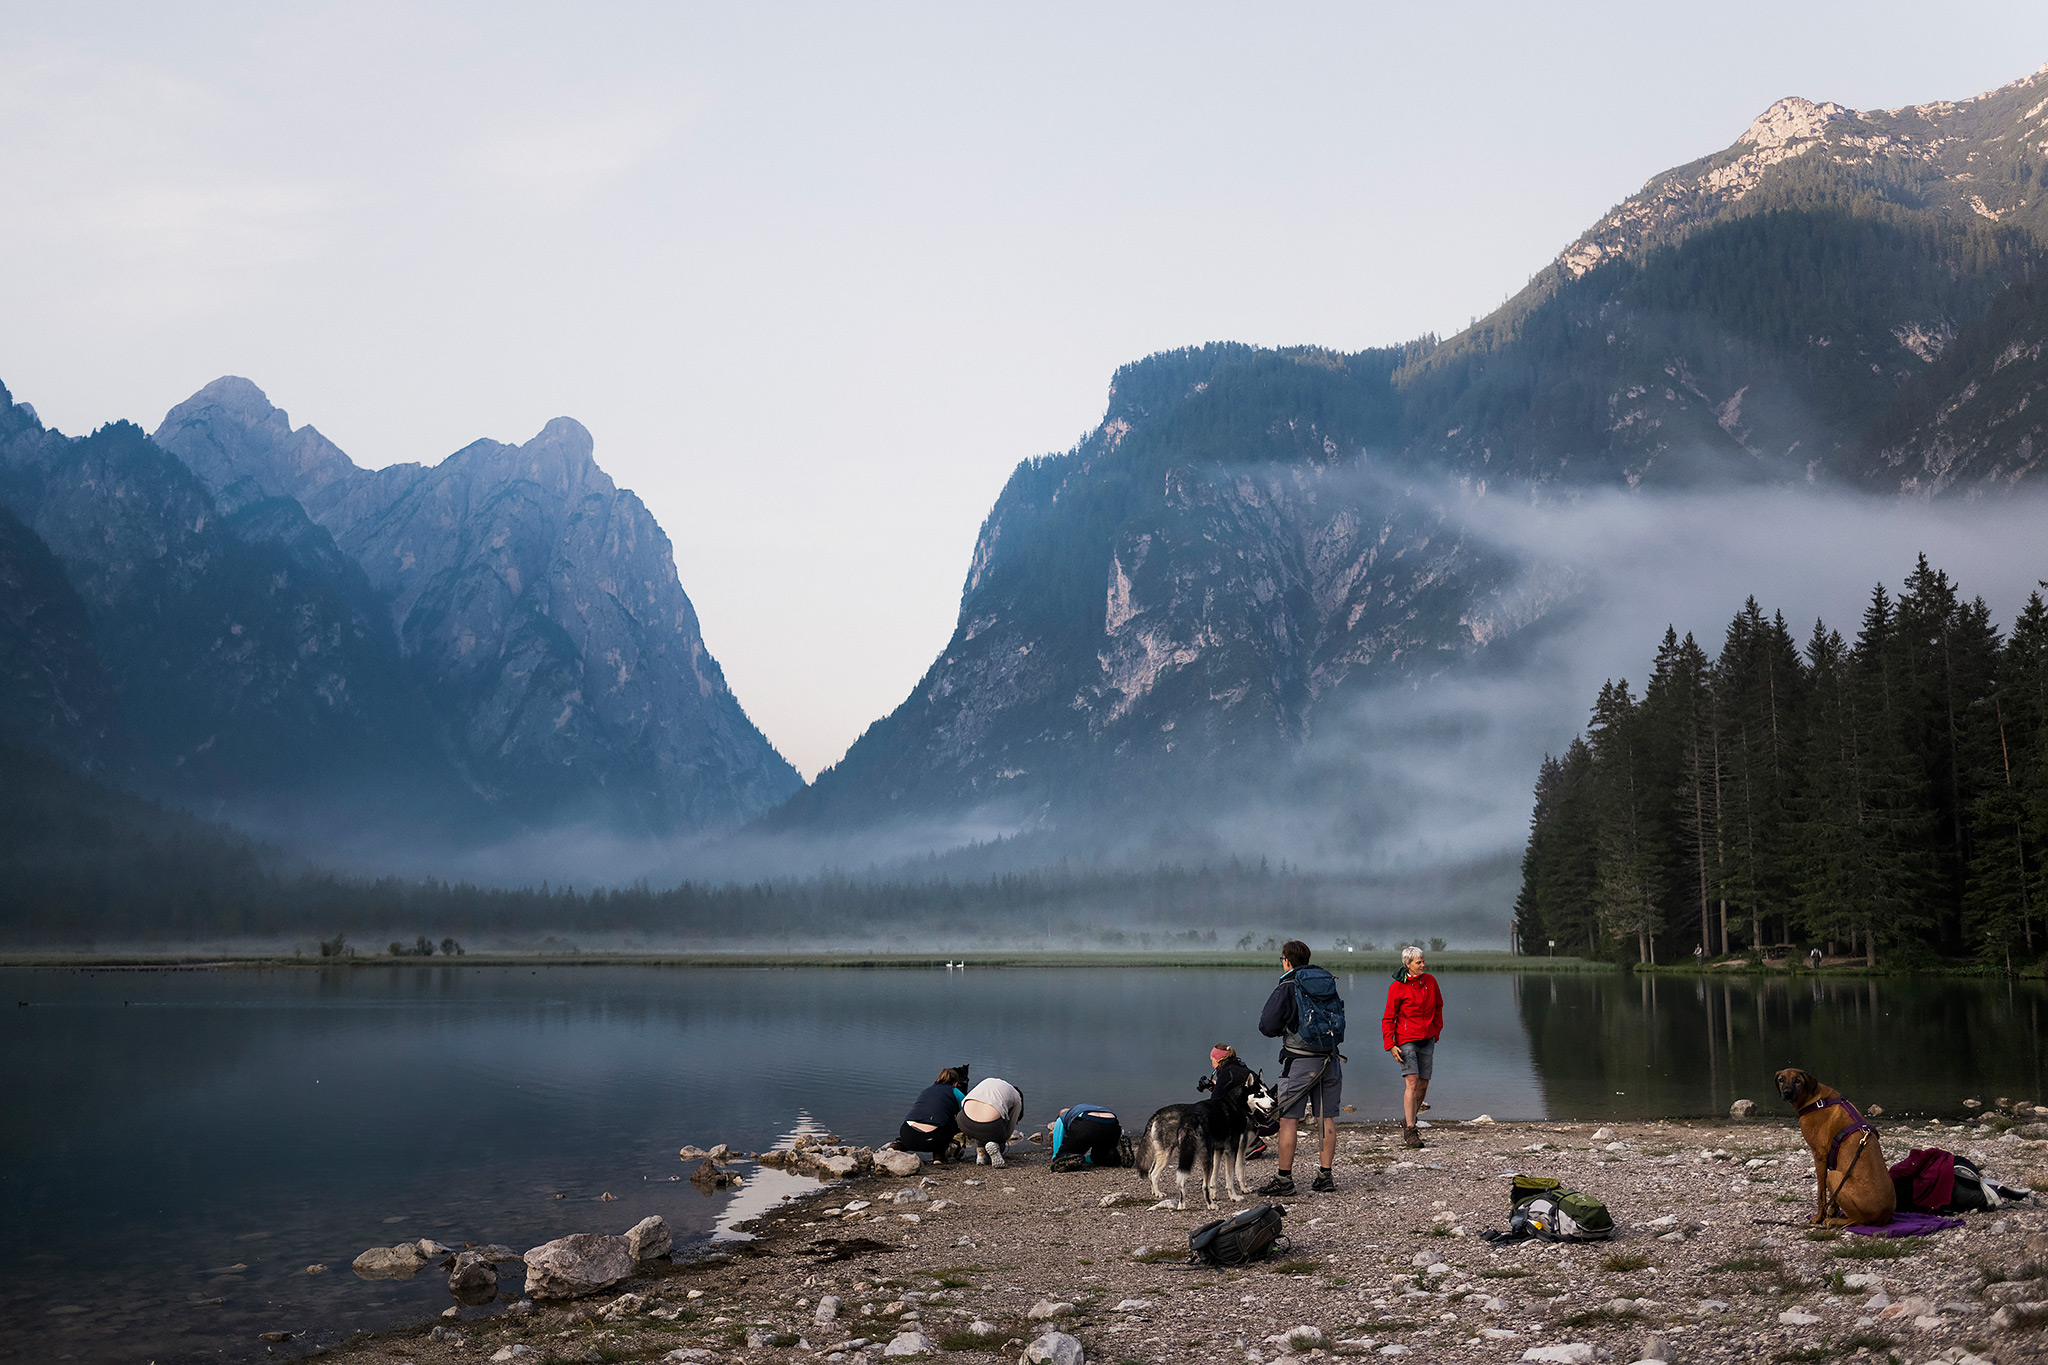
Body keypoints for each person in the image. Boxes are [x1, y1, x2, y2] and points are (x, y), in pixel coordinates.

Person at [1255, 940, 1345, 1196]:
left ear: (1286, 960)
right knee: (1326, 1117)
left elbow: (1267, 1026)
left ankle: (1285, 1180)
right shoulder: (1325, 981)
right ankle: (1325, 1177)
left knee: (1288, 1120)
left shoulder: (1288, 985)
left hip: (1298, 1061)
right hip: (1330, 1058)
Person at [1383, 945, 1444, 1150]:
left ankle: (1409, 1118)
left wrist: (1436, 1030)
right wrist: (1390, 1044)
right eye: (1418, 962)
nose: (1423, 965)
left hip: (1427, 1038)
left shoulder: (1430, 982)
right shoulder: (1397, 987)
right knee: (1412, 1081)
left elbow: (1438, 1007)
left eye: (1423, 961)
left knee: (1424, 1084)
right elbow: (1388, 1017)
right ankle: (1411, 1129)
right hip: (1406, 1039)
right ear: (1407, 964)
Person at [1200, 1044, 1275, 1158]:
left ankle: (1251, 1144)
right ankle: (1252, 1142)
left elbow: (1214, 1102)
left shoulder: (1226, 1072)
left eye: (1212, 1060)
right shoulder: (1237, 1066)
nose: (1212, 1064)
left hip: (1264, 1120)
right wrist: (1216, 1087)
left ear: (1219, 1059)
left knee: (1216, 1114)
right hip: (1269, 1114)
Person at [893, 1064, 970, 1159]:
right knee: (954, 1123)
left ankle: (896, 1147)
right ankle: (939, 1157)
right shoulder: (955, 1091)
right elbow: (968, 1113)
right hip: (932, 1139)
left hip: (907, 1133)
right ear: (955, 1083)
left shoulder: (927, 1090)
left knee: (916, 1130)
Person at [958, 1075, 1024, 1167]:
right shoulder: (1017, 1097)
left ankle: (980, 1155)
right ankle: (995, 1146)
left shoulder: (988, 1081)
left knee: (980, 1128)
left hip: (963, 1120)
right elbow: (1011, 1124)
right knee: (994, 1132)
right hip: (989, 1126)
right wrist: (1003, 1137)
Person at [1047, 1102, 1126, 1169]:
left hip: (1086, 1123)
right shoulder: (1083, 1108)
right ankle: (1117, 1157)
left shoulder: (1063, 1117)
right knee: (1102, 1157)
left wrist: (1056, 1157)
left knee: (1063, 1156)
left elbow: (1058, 1138)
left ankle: (1069, 1158)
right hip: (1112, 1124)